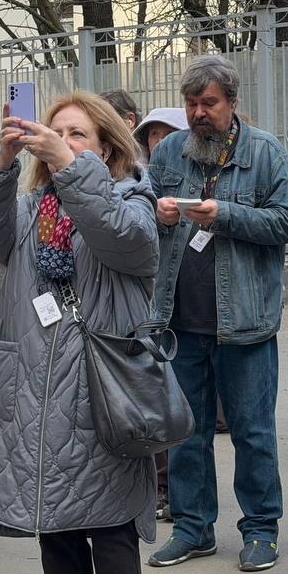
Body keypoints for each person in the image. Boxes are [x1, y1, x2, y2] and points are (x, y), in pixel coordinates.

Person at [0, 90, 159, 574]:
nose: (62, 141)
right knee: (54, 524)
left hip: (102, 392)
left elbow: (124, 241)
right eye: (57, 132)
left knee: (112, 528)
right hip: (36, 388)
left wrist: (70, 169)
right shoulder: (32, 210)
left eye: (78, 134)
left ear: (107, 147)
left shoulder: (133, 199)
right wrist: (1, 164)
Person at [145, 55, 288, 573]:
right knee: (185, 433)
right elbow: (141, 216)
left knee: (252, 432)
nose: (198, 113)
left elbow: (286, 222)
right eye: (191, 103)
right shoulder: (168, 152)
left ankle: (261, 530)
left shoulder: (266, 152)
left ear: (231, 102)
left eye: (208, 103)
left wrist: (225, 215)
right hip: (180, 322)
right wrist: (158, 213)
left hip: (246, 323)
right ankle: (192, 529)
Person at [129, 105, 191, 519]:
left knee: (177, 407)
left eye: (166, 134)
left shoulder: (197, 179)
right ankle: (155, 488)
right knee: (149, 402)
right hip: (147, 310)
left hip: (187, 314)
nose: (158, 142)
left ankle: (171, 491)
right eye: (152, 135)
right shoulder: (136, 183)